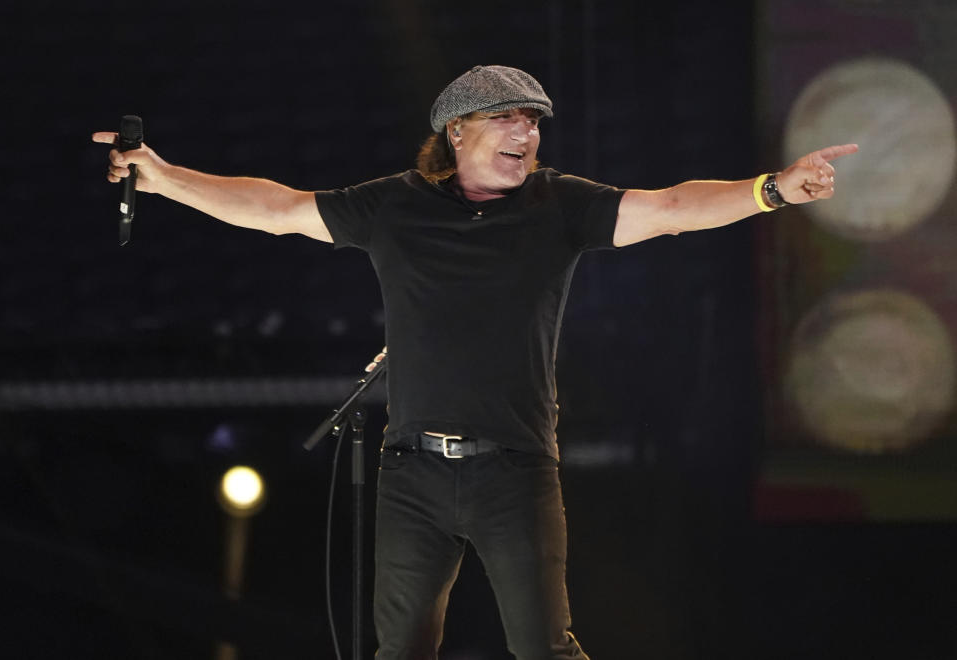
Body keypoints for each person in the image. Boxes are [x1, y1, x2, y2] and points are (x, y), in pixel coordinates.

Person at [94, 65, 857, 659]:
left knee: (544, 648)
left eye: (532, 120)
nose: (525, 131)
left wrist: (771, 190)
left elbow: (669, 209)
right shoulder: (393, 206)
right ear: (457, 131)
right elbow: (276, 207)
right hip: (410, 473)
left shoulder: (557, 205)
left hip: (515, 471)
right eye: (507, 117)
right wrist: (162, 177)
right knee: (401, 651)